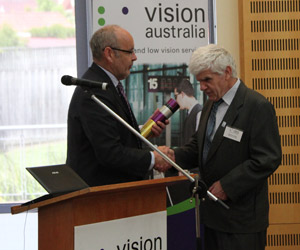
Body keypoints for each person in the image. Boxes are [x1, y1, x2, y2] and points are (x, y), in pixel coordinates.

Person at [158, 44, 282, 250]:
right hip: (211, 217)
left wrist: (228, 185)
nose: (202, 87)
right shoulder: (210, 104)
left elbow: (268, 158)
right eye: (199, 81)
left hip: (242, 222)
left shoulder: (256, 106)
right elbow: (199, 146)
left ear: (227, 73)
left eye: (207, 80)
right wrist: (172, 156)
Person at [66, 25, 169, 187]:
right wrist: (153, 158)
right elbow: (109, 152)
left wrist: (144, 130)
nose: (134, 57)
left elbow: (111, 134)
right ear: (109, 54)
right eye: (130, 51)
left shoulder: (106, 84)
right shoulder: (94, 90)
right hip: (101, 197)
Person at [174, 79, 202, 145]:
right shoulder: (190, 113)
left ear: (182, 94)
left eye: (176, 96)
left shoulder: (199, 113)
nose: (176, 100)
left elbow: (199, 142)